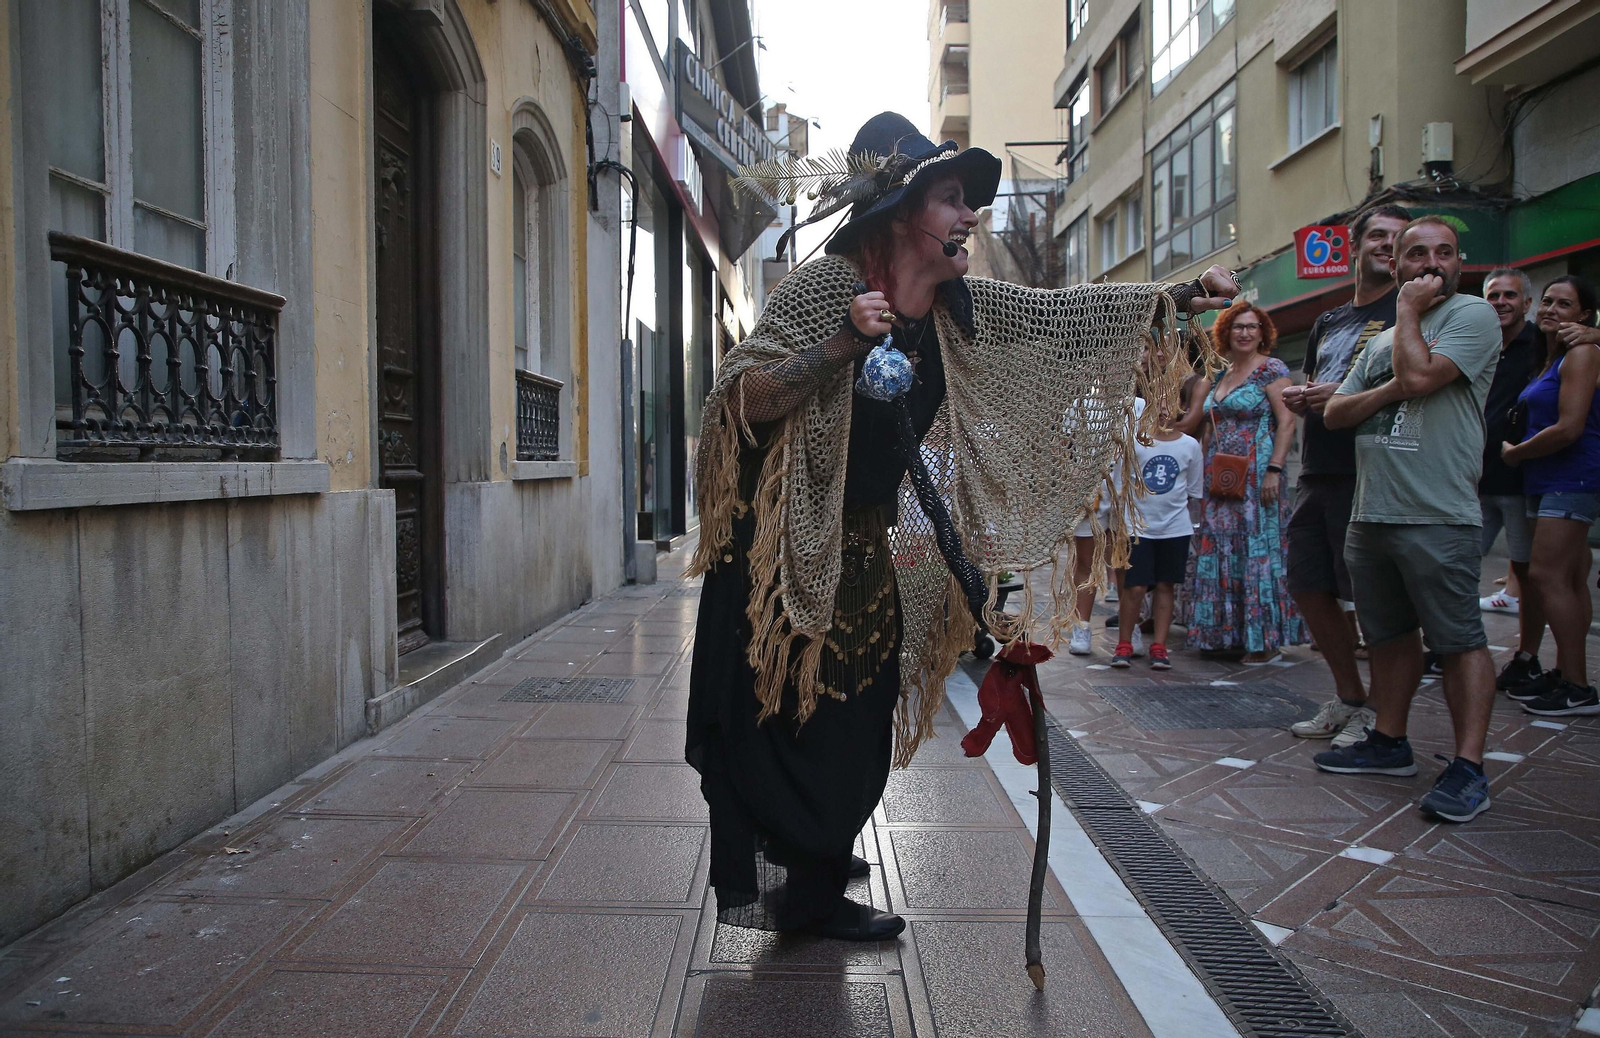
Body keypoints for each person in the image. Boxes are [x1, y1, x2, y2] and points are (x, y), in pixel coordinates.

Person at [686, 112, 1238, 941]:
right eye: (951, 198)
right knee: (781, 719)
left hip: (865, 548)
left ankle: (816, 867)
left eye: (970, 201)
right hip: (781, 552)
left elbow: (1066, 319)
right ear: (903, 213)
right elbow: (742, 400)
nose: (970, 215)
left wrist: (1179, 298)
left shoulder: (959, 312)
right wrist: (842, 344)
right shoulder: (825, 287)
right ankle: (808, 882)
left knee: (857, 718)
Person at [1314, 216, 1502, 823]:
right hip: (1373, 513)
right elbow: (1338, 414)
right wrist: (1392, 389)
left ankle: (1470, 767)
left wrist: (1409, 320)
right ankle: (1390, 741)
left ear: (1459, 261)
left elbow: (1421, 375)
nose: (1431, 263)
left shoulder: (1473, 316)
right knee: (1391, 637)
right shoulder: (1380, 338)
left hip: (1437, 512)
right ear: (1395, 265)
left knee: (1459, 640)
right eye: (1415, 253)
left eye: (1444, 252)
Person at [1283, 204, 1409, 747]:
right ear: (1354, 247)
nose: (1388, 245)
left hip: (1378, 469)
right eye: (1378, 236)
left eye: (1398, 239)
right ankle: (1349, 696)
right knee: (1308, 585)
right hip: (1320, 469)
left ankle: (1381, 714)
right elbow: (1318, 382)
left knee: (1376, 599)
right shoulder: (1330, 320)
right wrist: (1302, 396)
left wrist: (1344, 395)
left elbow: (1415, 381)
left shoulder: (1413, 312)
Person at [1499, 275, 1600, 715]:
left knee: (1545, 576)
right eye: (1547, 301)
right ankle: (1568, 674)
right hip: (1548, 479)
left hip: (1571, 476)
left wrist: (1517, 453)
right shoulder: (1551, 357)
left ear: (1584, 315)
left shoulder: (1581, 353)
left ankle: (1577, 688)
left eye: (1565, 304)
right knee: (1572, 580)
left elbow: (1570, 426)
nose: (1551, 309)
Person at [1183, 301, 1305, 662]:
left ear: (1262, 331)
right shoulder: (1221, 374)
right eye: (1238, 326)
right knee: (1221, 549)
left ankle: (1263, 641)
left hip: (1256, 479)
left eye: (1252, 326)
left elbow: (1286, 421)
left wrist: (1276, 469)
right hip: (1219, 477)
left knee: (1257, 553)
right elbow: (1203, 424)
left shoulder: (1272, 370)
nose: (1246, 332)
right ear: (1226, 331)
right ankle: (1225, 633)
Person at [1475, 269, 1544, 688]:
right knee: (1458, 565)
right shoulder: (1478, 344)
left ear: (1527, 303)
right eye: (1493, 295)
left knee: (1528, 573)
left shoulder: (1543, 343)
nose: (1501, 302)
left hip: (1521, 481)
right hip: (1474, 480)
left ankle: (1527, 657)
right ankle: (1454, 651)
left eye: (1510, 295)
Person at [1111, 404, 1205, 669]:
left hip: (1175, 528)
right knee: (1135, 587)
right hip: (1137, 527)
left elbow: (1194, 490)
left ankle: (1160, 646)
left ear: (1183, 408)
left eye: (1170, 404)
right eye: (1157, 404)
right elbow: (1120, 485)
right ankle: (1124, 643)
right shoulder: (1135, 443)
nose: (1163, 411)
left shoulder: (1190, 446)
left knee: (1166, 585)